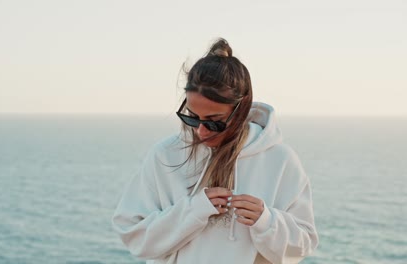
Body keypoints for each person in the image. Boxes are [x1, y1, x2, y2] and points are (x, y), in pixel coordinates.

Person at [112, 38, 318, 264]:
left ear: (242, 108)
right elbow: (134, 237)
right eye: (192, 117)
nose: (201, 131)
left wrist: (266, 221)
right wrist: (193, 211)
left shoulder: (279, 160)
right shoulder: (165, 155)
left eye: (214, 121)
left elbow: (304, 244)